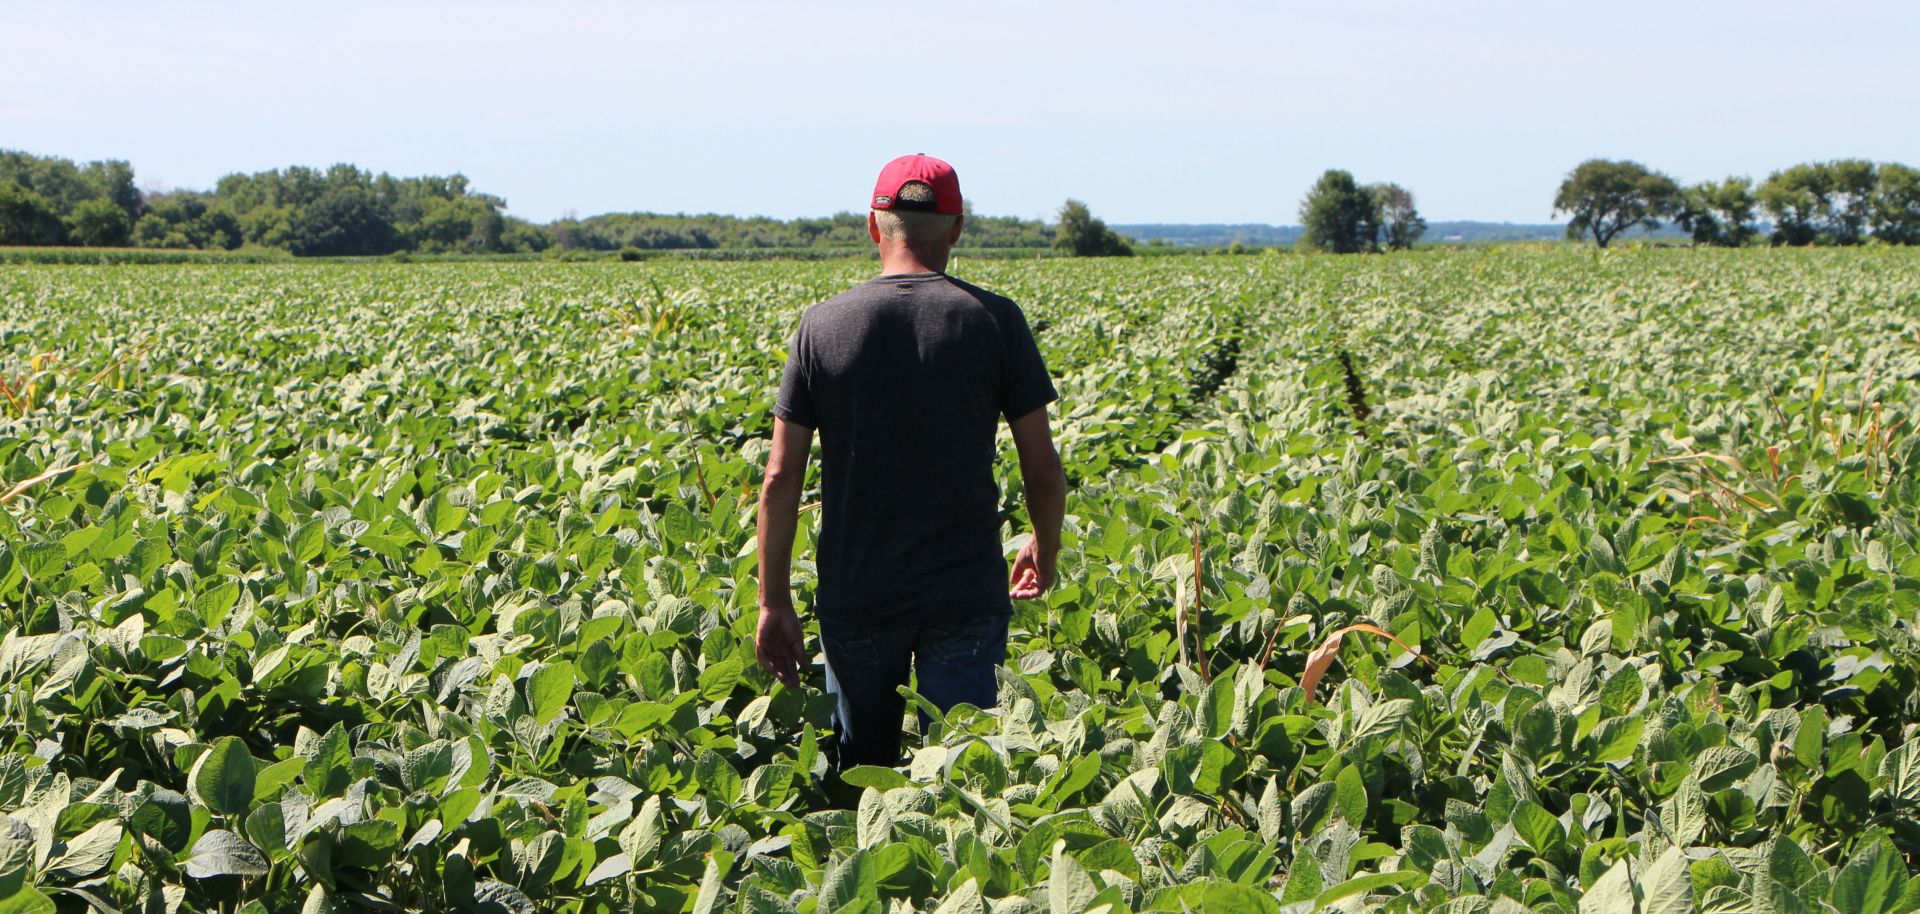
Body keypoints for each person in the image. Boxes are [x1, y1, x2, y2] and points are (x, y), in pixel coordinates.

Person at [754, 153, 1067, 770]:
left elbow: (779, 478)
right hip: (964, 594)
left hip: (859, 594)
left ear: (874, 225)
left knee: (859, 787)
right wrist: (1044, 547)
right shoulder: (996, 322)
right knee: (966, 787)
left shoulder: (821, 326)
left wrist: (774, 601)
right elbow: (1043, 469)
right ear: (956, 229)